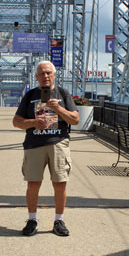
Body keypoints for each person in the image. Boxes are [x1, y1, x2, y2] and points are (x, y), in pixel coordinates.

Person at [13, 61, 80, 236]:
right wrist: (35, 122)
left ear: (55, 75)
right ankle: (32, 220)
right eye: (42, 74)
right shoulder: (29, 96)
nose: (46, 76)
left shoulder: (63, 94)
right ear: (36, 77)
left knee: (60, 183)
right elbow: (16, 122)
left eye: (49, 73)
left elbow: (75, 119)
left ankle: (59, 220)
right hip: (34, 144)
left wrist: (58, 108)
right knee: (33, 183)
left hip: (58, 142)